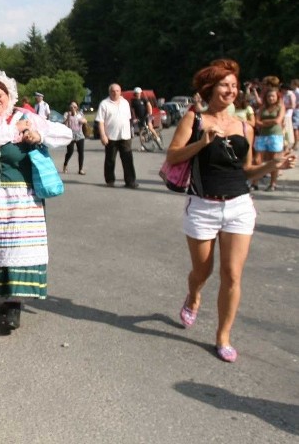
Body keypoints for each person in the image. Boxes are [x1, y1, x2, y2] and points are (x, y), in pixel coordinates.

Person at [165, 58, 295, 363]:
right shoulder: (194, 120)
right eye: (225, 84)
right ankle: (194, 295)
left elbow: (245, 172)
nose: (232, 90)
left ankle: (223, 336)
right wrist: (201, 143)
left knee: (232, 274)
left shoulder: (243, 126)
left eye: (235, 85)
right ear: (210, 88)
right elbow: (172, 157)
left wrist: (271, 165)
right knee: (202, 271)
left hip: (239, 206)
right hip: (202, 207)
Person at [0, 70, 71, 330]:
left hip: (23, 198)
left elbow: (66, 134)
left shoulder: (27, 117)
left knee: (18, 249)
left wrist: (39, 136)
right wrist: (13, 131)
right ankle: (3, 295)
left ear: (9, 96)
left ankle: (14, 304)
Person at [95, 83, 138, 188]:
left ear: (120, 91)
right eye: (113, 91)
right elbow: (100, 121)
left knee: (128, 159)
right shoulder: (104, 104)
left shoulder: (125, 103)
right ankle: (110, 180)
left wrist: (131, 132)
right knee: (110, 159)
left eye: (117, 91)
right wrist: (103, 135)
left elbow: (128, 119)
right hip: (111, 136)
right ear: (110, 92)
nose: (115, 93)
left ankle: (130, 181)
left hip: (125, 135)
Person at [249, 87, 285, 191]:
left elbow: (278, 121)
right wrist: (270, 122)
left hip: (275, 135)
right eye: (269, 96)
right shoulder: (263, 107)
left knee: (273, 160)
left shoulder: (280, 107)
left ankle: (273, 183)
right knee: (257, 160)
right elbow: (257, 122)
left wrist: (264, 123)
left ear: (277, 97)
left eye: (273, 96)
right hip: (262, 135)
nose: (271, 98)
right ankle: (254, 182)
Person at [63, 101, 87, 174]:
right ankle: (65, 164)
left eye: (74, 107)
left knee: (81, 152)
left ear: (77, 108)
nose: (73, 108)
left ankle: (80, 169)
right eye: (71, 107)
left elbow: (85, 120)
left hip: (80, 135)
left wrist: (83, 121)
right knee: (70, 152)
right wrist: (67, 118)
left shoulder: (80, 114)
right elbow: (64, 123)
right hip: (70, 135)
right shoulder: (67, 114)